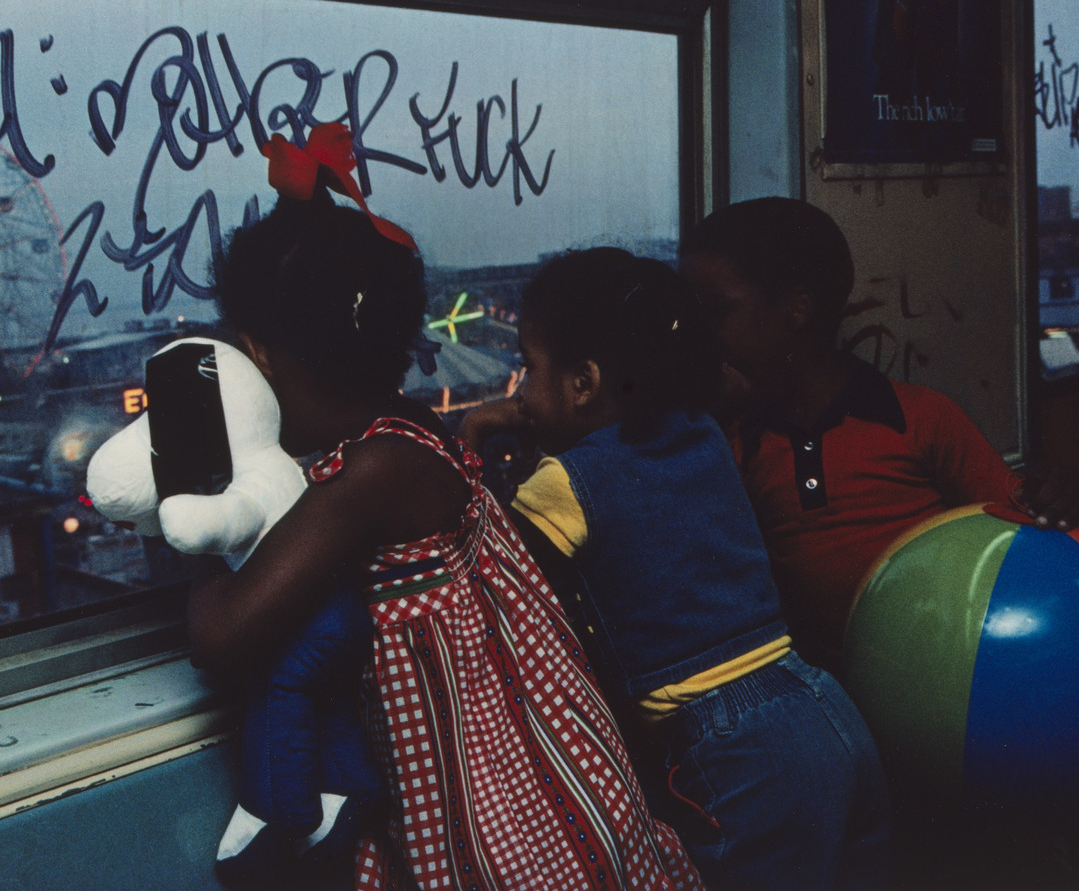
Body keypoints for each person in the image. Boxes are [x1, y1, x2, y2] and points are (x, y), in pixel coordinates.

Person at [187, 124, 703, 891]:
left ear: (258, 352)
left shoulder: (369, 476)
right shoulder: (411, 431)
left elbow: (225, 634)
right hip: (552, 777)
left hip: (491, 815)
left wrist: (190, 521)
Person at [463, 248, 889, 890]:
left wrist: (472, 439)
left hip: (734, 746)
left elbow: (491, 570)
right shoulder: (700, 431)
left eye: (528, 369)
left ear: (584, 383)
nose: (519, 392)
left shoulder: (564, 483)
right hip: (822, 704)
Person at [678, 197, 1079, 669]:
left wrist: (1062, 500)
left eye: (714, 312)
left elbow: (1022, 527)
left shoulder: (917, 419)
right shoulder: (734, 440)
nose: (701, 335)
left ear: (797, 310)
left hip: (947, 673)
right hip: (830, 685)